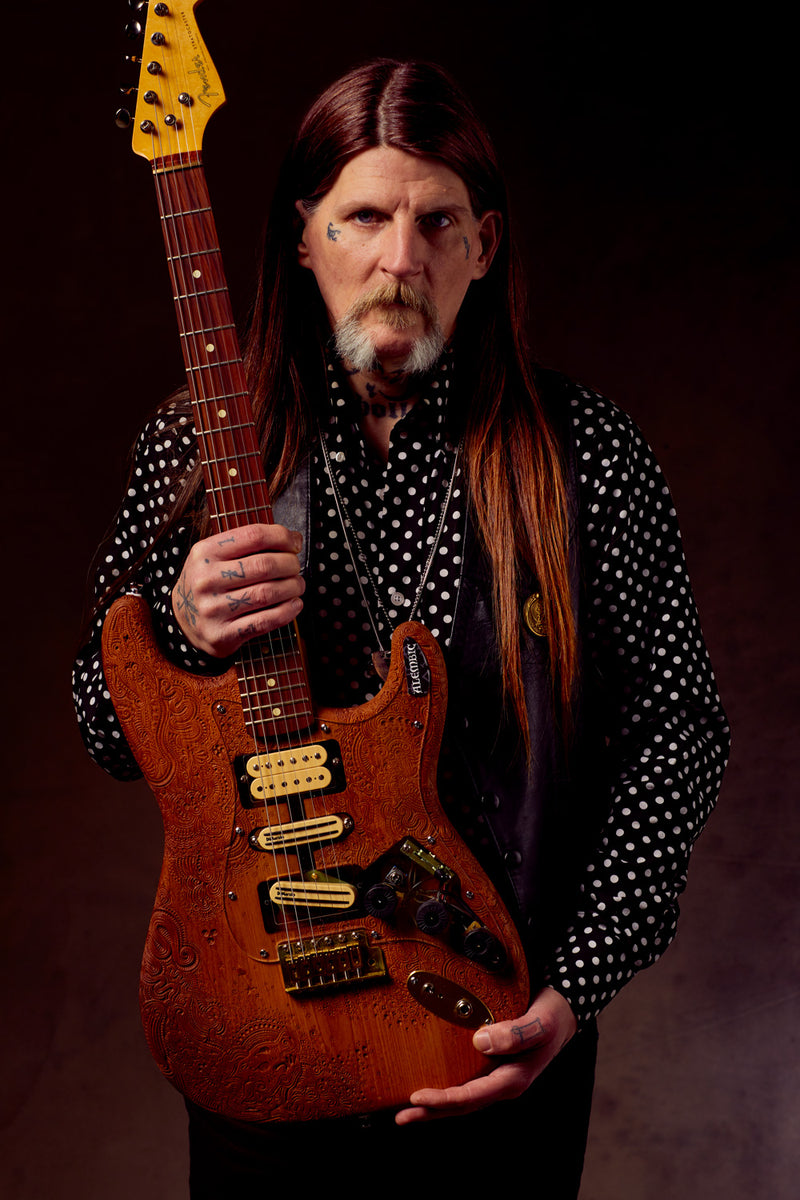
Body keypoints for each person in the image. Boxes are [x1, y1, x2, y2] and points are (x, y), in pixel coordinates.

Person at [73, 59, 729, 1196]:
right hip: (258, 1020)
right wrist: (180, 628)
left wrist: (569, 992)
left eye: (436, 222)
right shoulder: (200, 444)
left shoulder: (589, 457)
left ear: (483, 244)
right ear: (302, 238)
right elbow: (100, 724)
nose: (399, 259)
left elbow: (677, 736)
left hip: (492, 1029)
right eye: (364, 217)